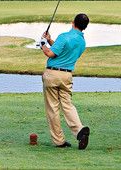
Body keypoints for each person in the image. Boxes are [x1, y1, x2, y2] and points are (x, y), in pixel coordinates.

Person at [40, 13, 91, 150]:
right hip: (67, 76)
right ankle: (79, 130)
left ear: (73, 22)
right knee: (67, 105)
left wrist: (42, 44)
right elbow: (61, 50)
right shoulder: (82, 42)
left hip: (52, 74)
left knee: (53, 108)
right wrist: (50, 40)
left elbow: (51, 53)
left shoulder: (64, 36)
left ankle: (59, 141)